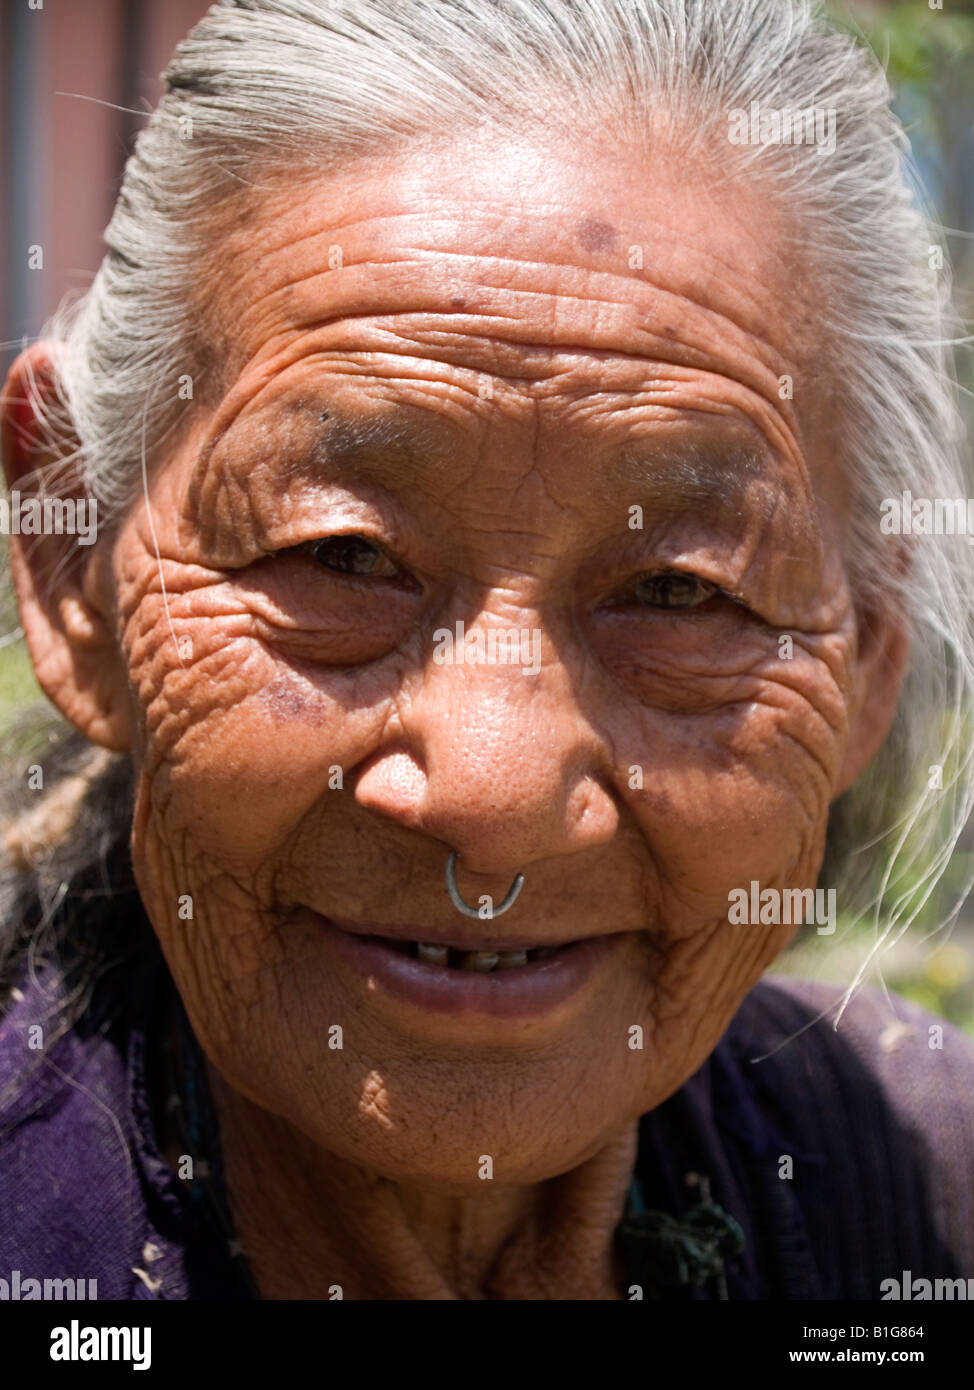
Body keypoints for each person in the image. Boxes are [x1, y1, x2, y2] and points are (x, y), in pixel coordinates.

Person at [1, 0, 972, 1301]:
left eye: (680, 592)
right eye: (341, 557)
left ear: (864, 657)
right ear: (76, 571)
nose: (495, 800)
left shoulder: (912, 1196)